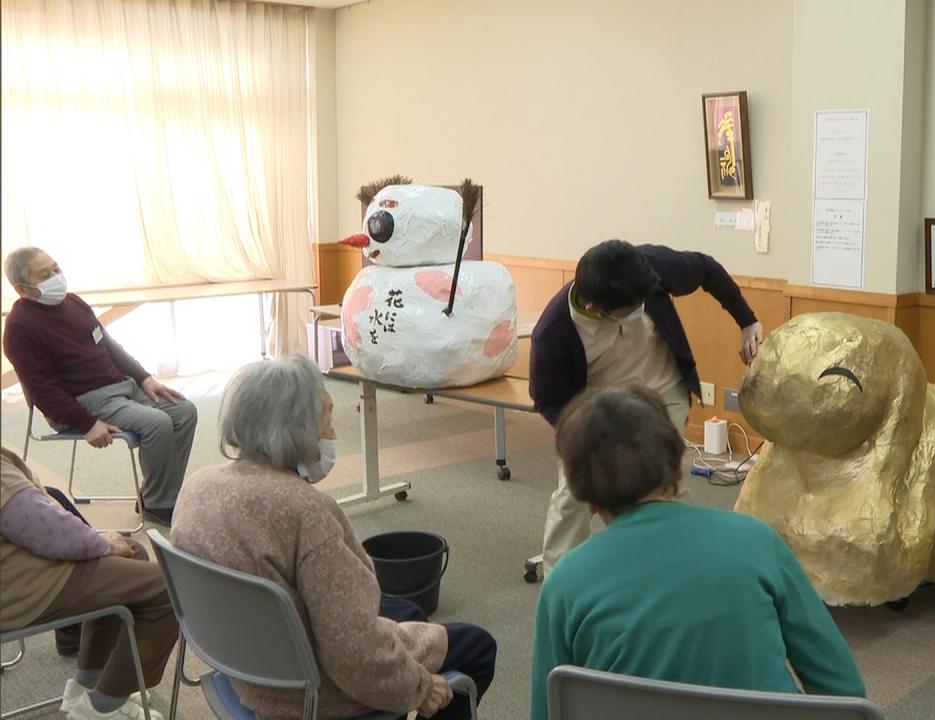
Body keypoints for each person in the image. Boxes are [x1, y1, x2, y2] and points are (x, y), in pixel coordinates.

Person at [171, 354, 496, 720]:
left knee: (409, 611)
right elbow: (353, 654)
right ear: (295, 431)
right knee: (477, 645)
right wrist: (419, 686)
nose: (332, 435)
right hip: (306, 691)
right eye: (326, 422)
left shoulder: (197, 487)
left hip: (239, 664)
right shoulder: (308, 513)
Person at [529, 386, 865, 720]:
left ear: (585, 498)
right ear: (676, 462)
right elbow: (843, 691)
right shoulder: (756, 541)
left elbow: (550, 711)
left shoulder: (564, 584)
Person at [529, 239, 764, 572]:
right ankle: (559, 579)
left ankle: (670, 569)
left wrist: (747, 321)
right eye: (633, 307)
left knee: (666, 488)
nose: (644, 306)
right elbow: (547, 398)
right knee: (574, 496)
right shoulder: (555, 331)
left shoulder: (647, 268)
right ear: (597, 309)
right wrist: (582, 435)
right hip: (597, 407)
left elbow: (706, 268)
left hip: (662, 392)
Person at [2, 247, 197, 526]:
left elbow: (107, 345)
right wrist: (87, 423)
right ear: (23, 288)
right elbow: (43, 391)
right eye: (45, 275)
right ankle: (159, 506)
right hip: (83, 401)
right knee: (158, 424)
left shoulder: (74, 303)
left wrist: (145, 378)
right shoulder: (20, 328)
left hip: (120, 386)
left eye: (56, 269)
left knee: (184, 411)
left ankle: (158, 494)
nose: (56, 277)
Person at [1, 446, 177, 720]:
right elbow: (47, 530)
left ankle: (91, 682)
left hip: (16, 573)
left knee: (132, 553)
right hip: (17, 588)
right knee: (168, 590)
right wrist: (101, 543)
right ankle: (102, 708)